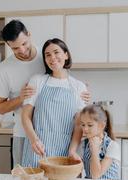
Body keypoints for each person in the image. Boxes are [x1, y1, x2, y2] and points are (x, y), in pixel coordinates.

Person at [0, 20, 90, 166]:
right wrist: (21, 98)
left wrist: (83, 89)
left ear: (29, 35)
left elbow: (61, 72)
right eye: (15, 48)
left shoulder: (46, 52)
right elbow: (0, 108)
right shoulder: (5, 69)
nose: (22, 50)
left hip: (64, 140)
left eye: (24, 44)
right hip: (25, 134)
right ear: (8, 46)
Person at [21, 38, 87, 167]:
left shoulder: (79, 87)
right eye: (48, 55)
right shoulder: (37, 81)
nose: (52, 58)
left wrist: (72, 151)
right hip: (38, 149)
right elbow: (25, 116)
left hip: (64, 151)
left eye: (56, 52)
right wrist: (34, 140)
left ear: (66, 55)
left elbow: (79, 125)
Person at [80, 104, 120, 180]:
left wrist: (94, 150)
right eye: (83, 124)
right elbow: (77, 171)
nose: (85, 129)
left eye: (90, 125)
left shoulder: (112, 146)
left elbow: (96, 175)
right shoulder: (83, 145)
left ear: (102, 125)